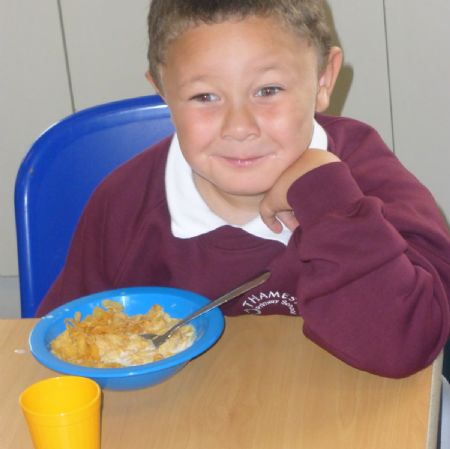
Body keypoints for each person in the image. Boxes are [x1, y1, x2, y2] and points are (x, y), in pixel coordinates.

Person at [37, 0, 450, 379]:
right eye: (204, 96)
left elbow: (406, 344)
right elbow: (63, 349)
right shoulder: (123, 206)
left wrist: (326, 197)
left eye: (268, 91)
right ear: (163, 91)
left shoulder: (368, 177)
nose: (239, 127)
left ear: (323, 79)